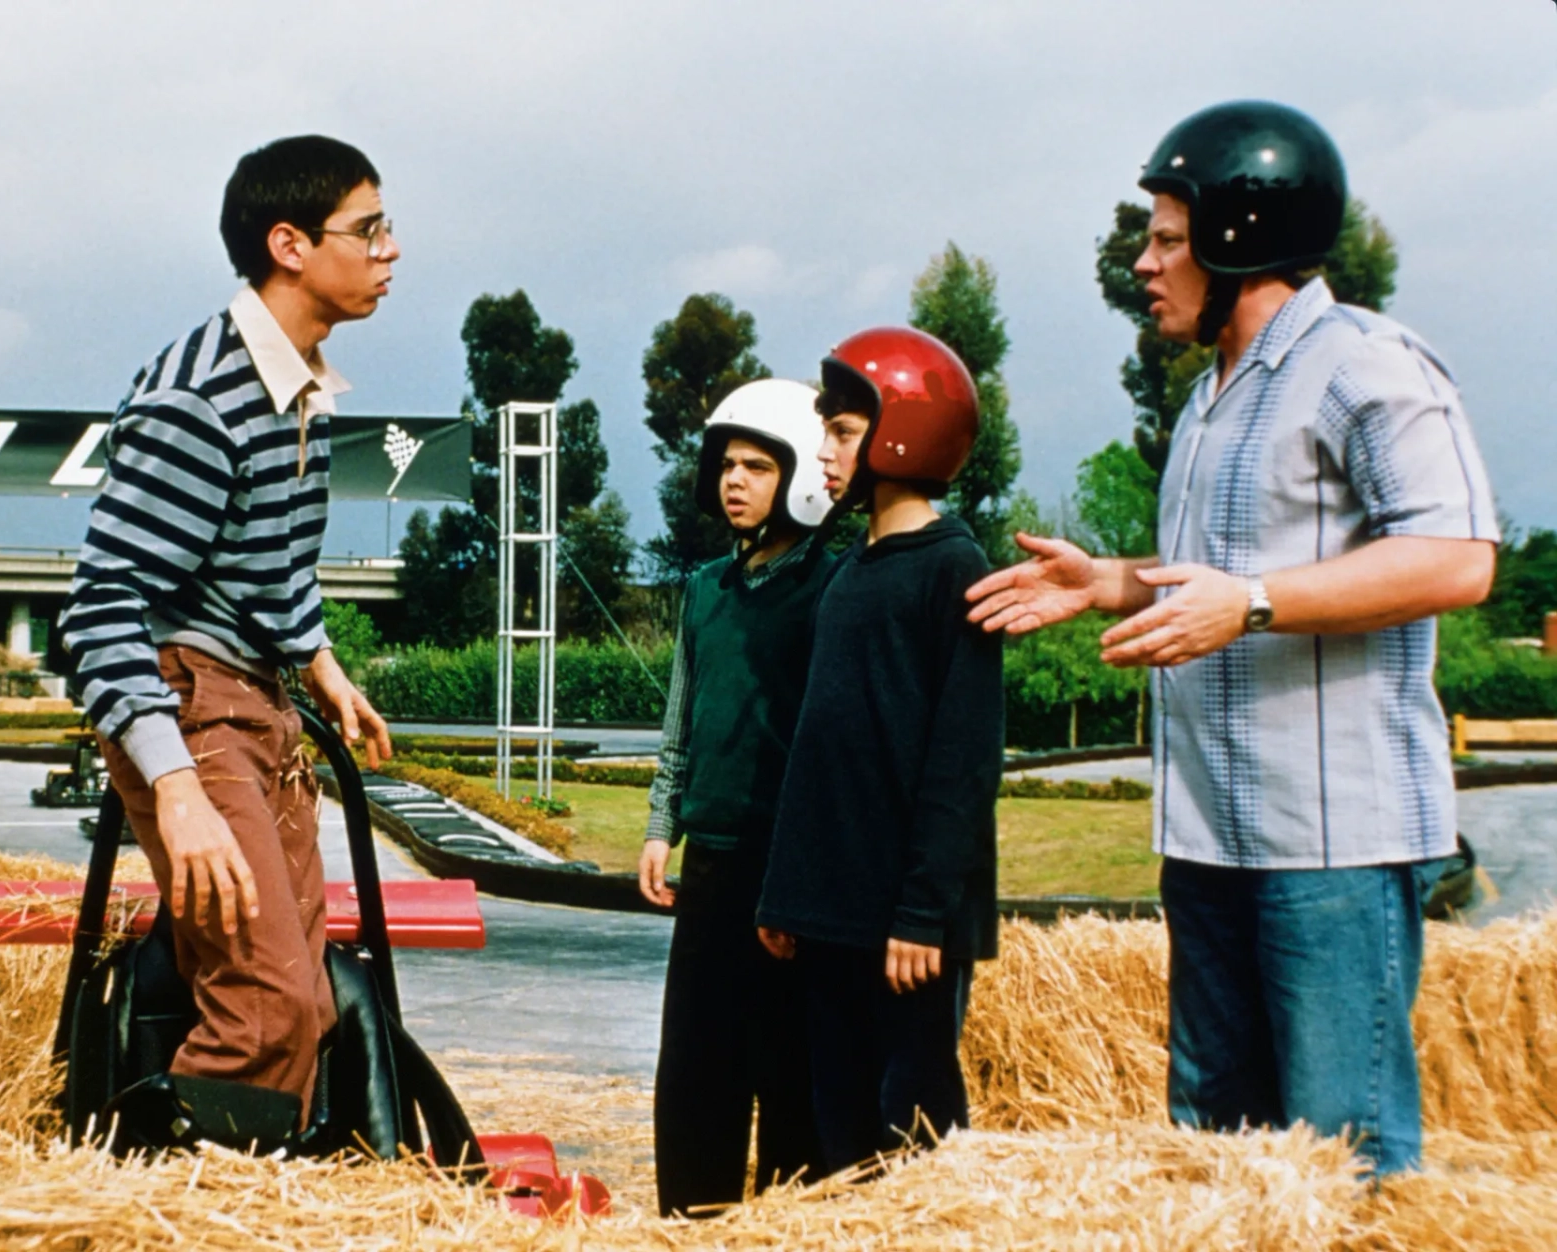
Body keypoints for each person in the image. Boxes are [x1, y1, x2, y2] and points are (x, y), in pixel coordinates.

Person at [964, 101, 1497, 1175]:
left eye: (1166, 237)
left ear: (1237, 238)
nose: (1141, 262)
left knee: (1342, 1162)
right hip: (1207, 840)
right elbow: (1216, 576)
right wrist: (1108, 580)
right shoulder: (1211, 398)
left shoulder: (1365, 364)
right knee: (1221, 1166)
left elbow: (1458, 559)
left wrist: (1251, 602)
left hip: (1329, 846)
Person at [57, 134, 398, 1112]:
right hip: (189, 708)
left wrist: (322, 666)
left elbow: (274, 563)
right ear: (289, 245)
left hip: (254, 703)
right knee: (268, 1006)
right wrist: (177, 788)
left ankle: (248, 1190)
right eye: (368, 229)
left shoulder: (298, 384)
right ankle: (167, 1205)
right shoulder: (200, 399)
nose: (390, 249)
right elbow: (101, 608)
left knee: (312, 1007)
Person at [754, 327, 1003, 1174]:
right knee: (840, 1138)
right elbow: (818, 752)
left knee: (915, 1135)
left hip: (906, 927)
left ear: (902, 435)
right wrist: (788, 893)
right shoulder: (850, 569)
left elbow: (962, 760)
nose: (821, 450)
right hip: (832, 913)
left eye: (842, 432)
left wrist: (923, 913)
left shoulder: (952, 567)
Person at [639, 378, 836, 1217]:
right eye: (726, 465)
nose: (734, 481)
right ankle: (691, 1226)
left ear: (800, 475)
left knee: (789, 1081)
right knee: (694, 1072)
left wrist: (801, 877)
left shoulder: (832, 589)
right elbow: (680, 719)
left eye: (757, 465)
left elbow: (828, 750)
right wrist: (660, 824)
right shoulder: (705, 588)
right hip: (712, 866)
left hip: (786, 872)